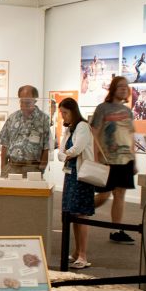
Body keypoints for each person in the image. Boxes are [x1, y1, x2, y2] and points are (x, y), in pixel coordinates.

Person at [91, 76, 137, 244]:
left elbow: (130, 136)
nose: (124, 89)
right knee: (104, 195)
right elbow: (94, 132)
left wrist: (134, 160)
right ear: (113, 89)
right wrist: (95, 157)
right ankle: (79, 212)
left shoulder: (128, 111)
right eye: (120, 86)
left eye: (126, 86)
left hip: (125, 160)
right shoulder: (103, 108)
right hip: (107, 159)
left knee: (120, 194)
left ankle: (116, 230)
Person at [57, 97, 95, 269]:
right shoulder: (69, 129)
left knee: (81, 215)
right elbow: (61, 151)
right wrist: (65, 154)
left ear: (73, 111)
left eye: (65, 112)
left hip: (81, 177)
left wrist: (65, 154)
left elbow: (76, 149)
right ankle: (76, 251)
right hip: (71, 175)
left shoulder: (82, 126)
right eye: (61, 113)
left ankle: (83, 254)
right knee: (72, 214)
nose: (63, 116)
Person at [0, 85, 50, 177]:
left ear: (35, 100)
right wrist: (3, 168)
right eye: (21, 101)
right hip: (12, 167)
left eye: (27, 102)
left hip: (32, 169)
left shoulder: (44, 119)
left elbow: (47, 146)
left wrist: (41, 168)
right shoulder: (12, 118)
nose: (24, 105)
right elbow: (4, 144)